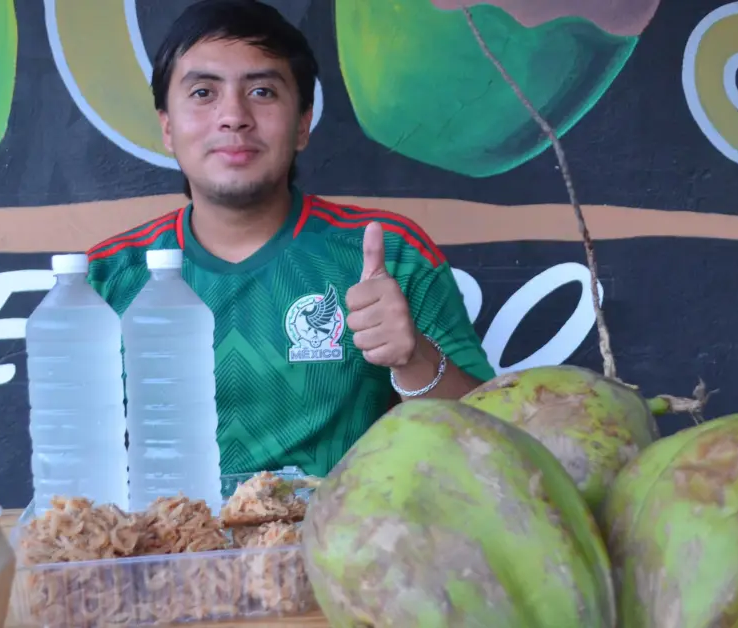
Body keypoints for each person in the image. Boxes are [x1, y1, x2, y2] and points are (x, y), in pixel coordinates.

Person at [87, 0, 495, 478]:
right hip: (174, 546)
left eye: (261, 91)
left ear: (302, 124)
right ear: (167, 127)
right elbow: (80, 464)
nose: (233, 116)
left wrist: (414, 357)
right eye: (203, 92)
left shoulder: (388, 254)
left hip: (345, 542)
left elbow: (488, 437)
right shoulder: (109, 276)